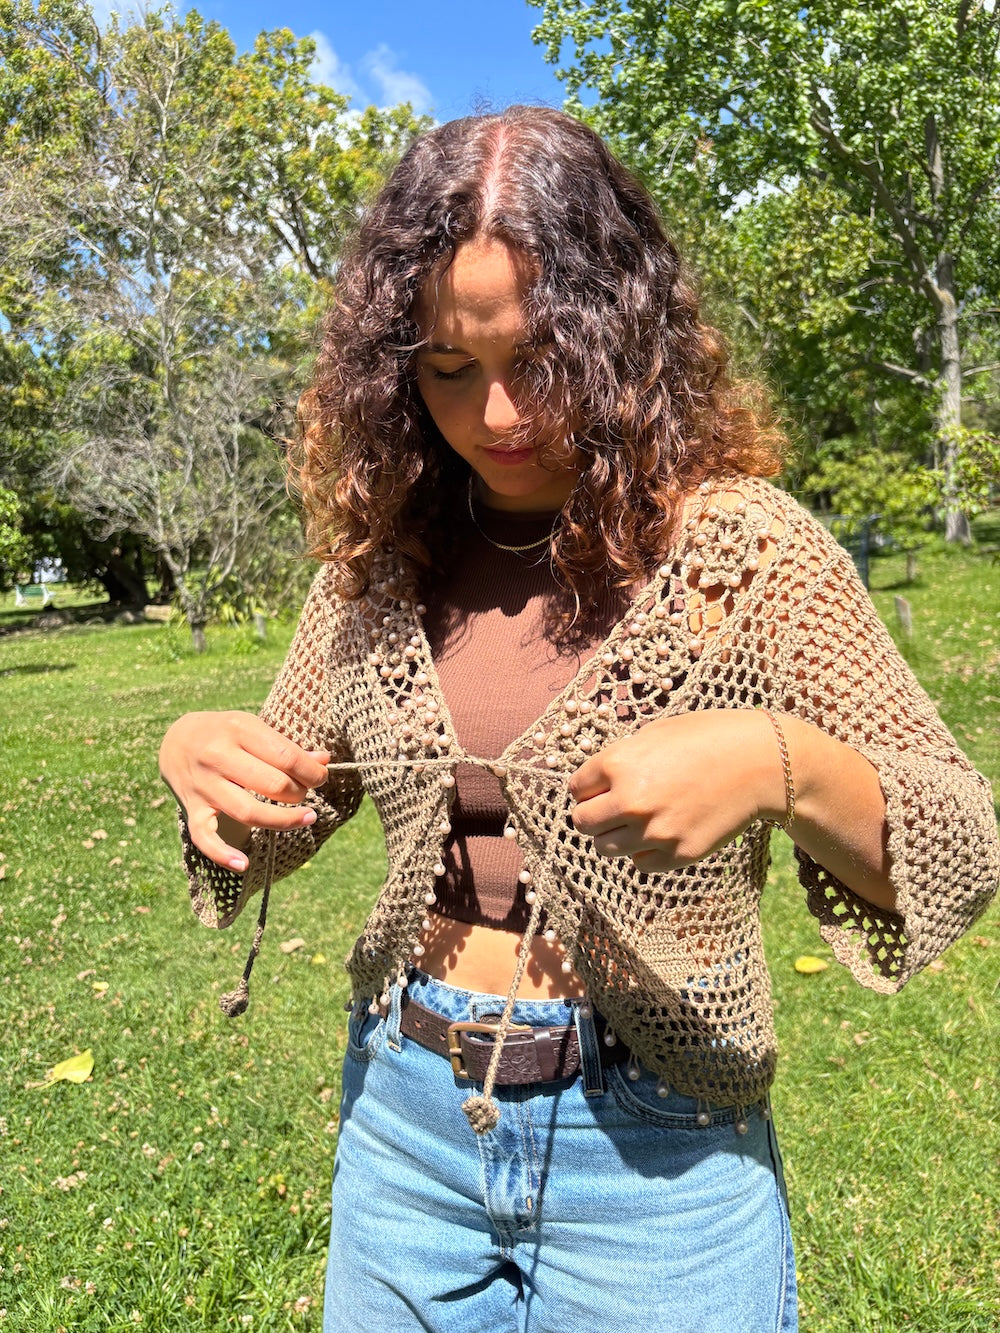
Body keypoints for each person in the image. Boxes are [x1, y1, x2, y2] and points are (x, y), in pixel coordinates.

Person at [159, 106, 999, 1333]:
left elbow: (957, 847)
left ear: (621, 332)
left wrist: (780, 763)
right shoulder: (378, 572)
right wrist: (199, 765)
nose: (496, 416)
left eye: (539, 361)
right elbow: (275, 820)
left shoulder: (745, 555)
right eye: (449, 370)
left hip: (656, 1151)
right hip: (405, 1131)